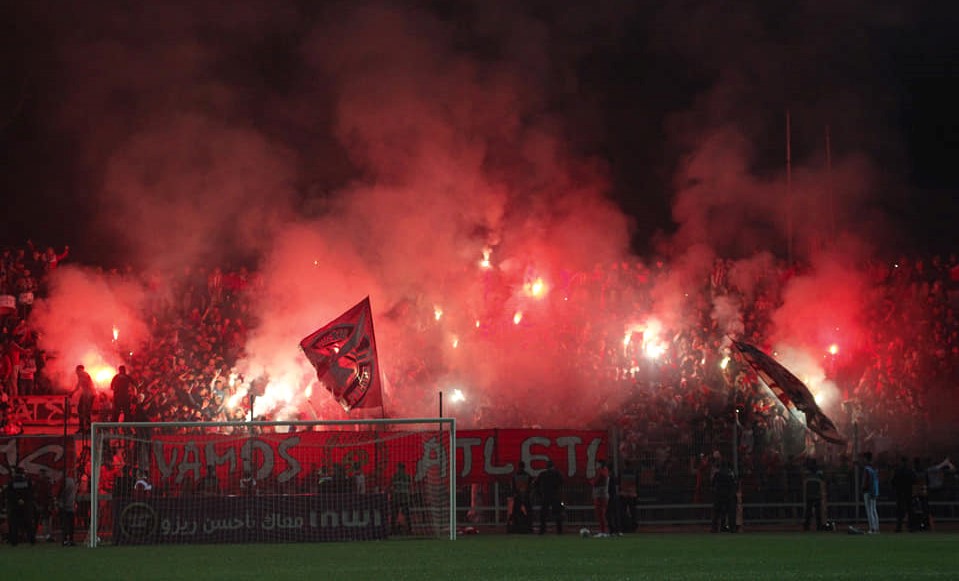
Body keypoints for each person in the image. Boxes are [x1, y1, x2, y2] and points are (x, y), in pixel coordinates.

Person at [6, 466, 37, 545]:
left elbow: (9, 494)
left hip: (14, 506)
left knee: (14, 525)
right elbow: (30, 492)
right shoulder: (27, 481)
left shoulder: (11, 482)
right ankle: (31, 540)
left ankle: (14, 541)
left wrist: (17, 500)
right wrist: (24, 500)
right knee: (28, 524)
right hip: (26, 506)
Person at [534, 459, 564, 535]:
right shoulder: (557, 473)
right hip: (554, 495)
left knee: (543, 514)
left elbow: (535, 484)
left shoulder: (542, 474)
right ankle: (559, 530)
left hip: (545, 496)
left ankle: (542, 530)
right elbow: (562, 482)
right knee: (557, 513)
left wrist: (539, 493)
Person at [711, 461, 737, 533]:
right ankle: (732, 528)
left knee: (716, 512)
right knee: (730, 512)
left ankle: (714, 528)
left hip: (718, 495)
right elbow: (734, 483)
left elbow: (713, 483)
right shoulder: (730, 473)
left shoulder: (717, 473)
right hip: (729, 495)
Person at [508, 461, 533, 533]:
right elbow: (530, 487)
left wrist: (515, 494)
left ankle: (516, 528)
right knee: (529, 513)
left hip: (518, 496)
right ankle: (529, 528)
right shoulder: (528, 476)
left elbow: (513, 487)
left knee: (516, 512)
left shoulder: (515, 476)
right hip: (526, 496)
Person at [891, 456, 914, 533]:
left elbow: (893, 482)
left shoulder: (898, 470)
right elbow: (915, 480)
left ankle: (899, 527)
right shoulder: (910, 470)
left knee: (900, 511)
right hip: (909, 492)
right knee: (910, 510)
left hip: (900, 493)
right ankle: (911, 527)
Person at [71, 364, 96, 434]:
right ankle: (85, 427)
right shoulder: (82, 375)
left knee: (85, 411)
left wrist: (86, 397)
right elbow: (79, 385)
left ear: (79, 370)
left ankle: (87, 428)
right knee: (82, 410)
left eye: (76, 370)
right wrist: (73, 392)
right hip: (87, 394)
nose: (76, 372)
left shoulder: (83, 374)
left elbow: (85, 386)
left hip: (88, 395)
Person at [802, 459, 826, 531]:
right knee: (816, 512)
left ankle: (807, 526)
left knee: (809, 512)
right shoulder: (819, 473)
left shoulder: (807, 473)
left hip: (810, 494)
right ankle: (818, 526)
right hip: (816, 494)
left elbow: (804, 482)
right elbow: (822, 482)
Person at [590, 459, 611, 537]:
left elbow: (595, 482)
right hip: (604, 494)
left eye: (597, 464)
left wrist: (591, 481)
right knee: (602, 513)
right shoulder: (605, 471)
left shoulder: (601, 471)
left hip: (599, 495)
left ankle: (603, 531)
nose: (596, 465)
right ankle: (603, 530)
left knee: (600, 514)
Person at [390, 462, 413, 534]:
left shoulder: (395, 476)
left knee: (395, 514)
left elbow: (392, 486)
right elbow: (409, 486)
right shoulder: (407, 476)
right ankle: (409, 530)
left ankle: (393, 529)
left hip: (397, 498)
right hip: (405, 498)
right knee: (406, 514)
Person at [861, 452, 880, 534]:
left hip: (867, 491)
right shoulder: (874, 468)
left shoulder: (867, 469)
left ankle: (872, 528)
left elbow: (865, 481)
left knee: (869, 510)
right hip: (874, 491)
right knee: (874, 510)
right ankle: (876, 528)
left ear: (866, 458)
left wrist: (862, 488)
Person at [59, 470, 77, 546]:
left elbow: (61, 493)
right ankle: (69, 539)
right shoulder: (71, 481)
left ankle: (66, 539)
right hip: (69, 505)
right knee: (69, 524)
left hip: (66, 506)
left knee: (65, 524)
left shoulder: (64, 482)